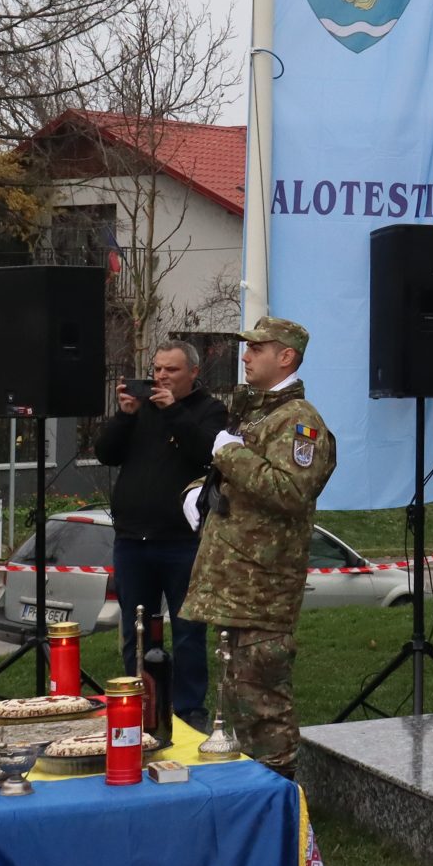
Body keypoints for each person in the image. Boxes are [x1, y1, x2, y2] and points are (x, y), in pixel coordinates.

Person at [182, 317, 336, 778]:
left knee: (263, 706)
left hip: (263, 590)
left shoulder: (299, 420)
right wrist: (197, 492)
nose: (245, 357)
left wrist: (229, 453)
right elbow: (243, 483)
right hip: (238, 587)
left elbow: (291, 490)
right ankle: (254, 796)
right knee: (240, 701)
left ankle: (282, 801)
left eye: (257, 349)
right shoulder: (258, 413)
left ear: (285, 356)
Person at [95, 339, 227, 728]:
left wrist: (173, 412)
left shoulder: (209, 410)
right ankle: (140, 704)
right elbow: (106, 453)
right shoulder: (141, 409)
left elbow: (208, 453)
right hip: (133, 541)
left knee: (187, 631)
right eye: (157, 369)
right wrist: (124, 416)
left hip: (182, 542)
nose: (161, 377)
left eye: (171, 370)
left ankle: (188, 711)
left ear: (193, 373)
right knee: (137, 631)